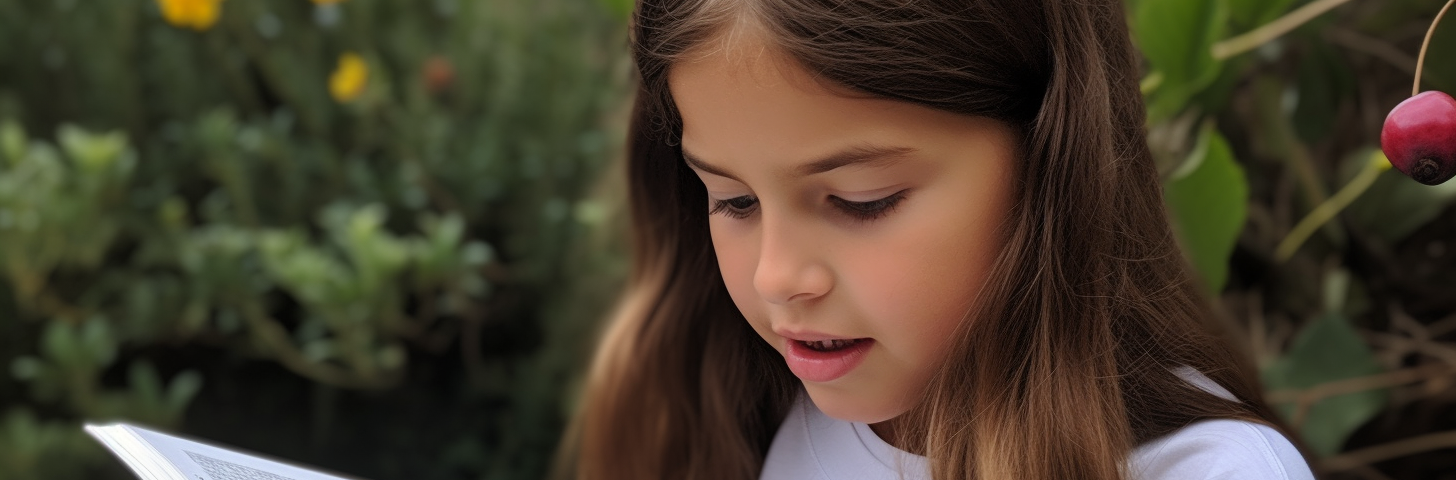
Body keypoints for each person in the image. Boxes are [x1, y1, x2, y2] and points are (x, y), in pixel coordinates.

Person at [555, 1, 1317, 479]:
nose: (778, 278)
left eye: (862, 201)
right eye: (734, 200)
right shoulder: (746, 410)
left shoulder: (1210, 470)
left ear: (1050, 161)